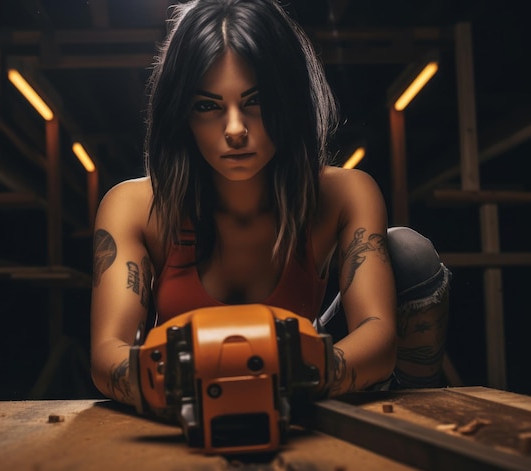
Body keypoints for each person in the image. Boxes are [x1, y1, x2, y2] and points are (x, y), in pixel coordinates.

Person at [90, 0, 451, 406]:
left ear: (288, 101)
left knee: (410, 253)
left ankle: (418, 435)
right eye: (207, 106)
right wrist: (175, 382)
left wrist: (295, 377)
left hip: (300, 383)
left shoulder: (345, 193)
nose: (234, 129)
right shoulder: (133, 205)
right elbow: (107, 351)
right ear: (182, 115)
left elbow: (379, 335)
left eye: (255, 101)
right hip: (184, 390)